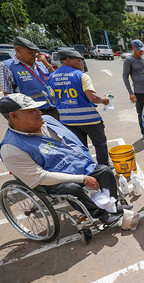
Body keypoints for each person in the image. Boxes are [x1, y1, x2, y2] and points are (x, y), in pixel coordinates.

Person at [0, 93, 126, 227]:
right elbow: (41, 177)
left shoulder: (47, 121)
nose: (39, 112)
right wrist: (82, 178)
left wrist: (86, 164)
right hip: (50, 180)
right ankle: (99, 213)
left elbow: (72, 142)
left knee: (104, 171)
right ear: (14, 116)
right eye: (32, 111)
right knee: (72, 188)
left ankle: (111, 206)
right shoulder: (11, 148)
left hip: (73, 166)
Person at [48, 49, 111, 166]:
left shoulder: (52, 77)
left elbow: (54, 99)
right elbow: (92, 97)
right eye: (78, 61)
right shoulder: (81, 76)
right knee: (100, 143)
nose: (82, 64)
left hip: (68, 121)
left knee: (80, 147)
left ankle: (87, 168)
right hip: (90, 119)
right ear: (68, 60)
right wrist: (104, 100)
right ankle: (104, 167)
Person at [0, 36, 59, 120]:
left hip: (53, 110)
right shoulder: (7, 66)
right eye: (30, 53)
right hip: (32, 113)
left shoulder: (40, 64)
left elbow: (55, 80)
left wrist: (47, 64)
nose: (34, 56)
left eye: (35, 53)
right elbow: (8, 96)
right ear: (18, 50)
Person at [122, 39, 144, 141]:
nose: (141, 52)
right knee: (141, 113)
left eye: (142, 50)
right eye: (139, 50)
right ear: (133, 48)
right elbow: (125, 76)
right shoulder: (129, 60)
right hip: (139, 92)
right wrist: (131, 93)